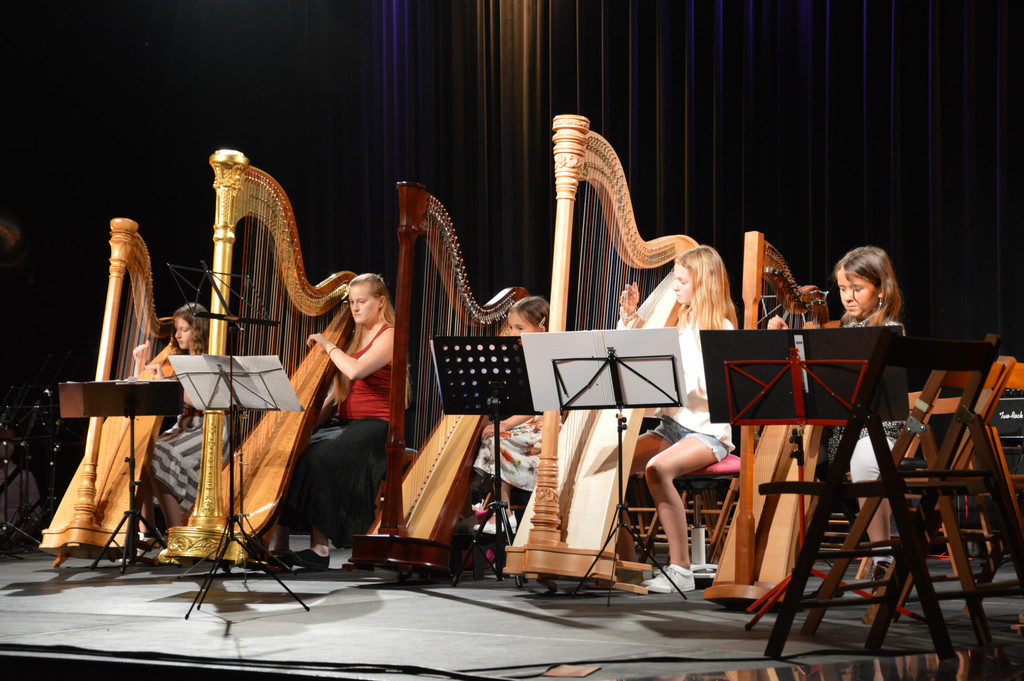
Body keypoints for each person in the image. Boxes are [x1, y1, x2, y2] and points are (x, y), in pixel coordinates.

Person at [618, 246, 738, 593]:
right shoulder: (679, 320)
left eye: (682, 281)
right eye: (675, 279)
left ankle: (681, 569)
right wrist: (630, 318)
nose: (674, 287)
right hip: (671, 428)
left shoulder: (721, 328)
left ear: (703, 283)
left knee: (657, 469)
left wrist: (672, 374)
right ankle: (629, 567)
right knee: (612, 467)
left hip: (707, 433)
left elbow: (715, 392)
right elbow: (630, 357)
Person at [273, 273, 395, 570]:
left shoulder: (389, 334)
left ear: (380, 302)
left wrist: (327, 346)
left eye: (362, 301)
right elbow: (336, 394)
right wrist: (304, 425)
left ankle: (320, 549)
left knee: (318, 457)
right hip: (346, 423)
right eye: (351, 302)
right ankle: (279, 546)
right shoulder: (351, 338)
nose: (355, 308)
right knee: (293, 452)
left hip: (376, 425)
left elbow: (355, 371)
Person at [821, 246, 905, 582]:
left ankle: (882, 555)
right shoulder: (842, 328)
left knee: (865, 462)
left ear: (881, 289)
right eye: (843, 288)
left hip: (880, 428)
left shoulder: (890, 330)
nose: (848, 297)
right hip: (842, 432)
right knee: (797, 456)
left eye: (857, 288)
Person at [132, 303, 215, 536]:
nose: (177, 335)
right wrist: (140, 364)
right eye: (176, 329)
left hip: (208, 428)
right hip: (185, 426)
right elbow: (147, 398)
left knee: (159, 452)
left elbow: (201, 401)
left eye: (184, 329)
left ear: (198, 330)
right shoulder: (177, 359)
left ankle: (176, 532)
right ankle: (147, 529)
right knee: (144, 449)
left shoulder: (209, 360)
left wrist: (167, 385)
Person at [471, 296, 549, 534]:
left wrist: (504, 424)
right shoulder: (514, 356)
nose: (512, 333)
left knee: (496, 439)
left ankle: (503, 511)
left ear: (541, 330)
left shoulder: (544, 358)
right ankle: (500, 511)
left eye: (520, 328)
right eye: (511, 327)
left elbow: (534, 407)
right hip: (525, 426)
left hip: (545, 426)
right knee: (492, 438)